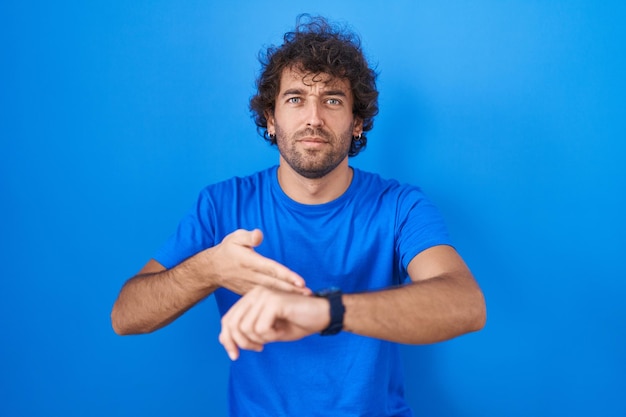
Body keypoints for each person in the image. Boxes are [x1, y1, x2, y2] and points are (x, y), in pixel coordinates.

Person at [111, 14, 486, 417]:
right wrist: (210, 269)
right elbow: (126, 316)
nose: (313, 118)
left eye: (332, 100)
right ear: (271, 120)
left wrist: (327, 311)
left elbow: (466, 304)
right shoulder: (222, 205)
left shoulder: (399, 206)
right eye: (295, 99)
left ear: (357, 122)